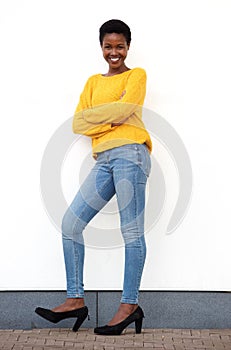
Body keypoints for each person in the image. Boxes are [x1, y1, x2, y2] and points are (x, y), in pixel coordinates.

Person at [35, 19, 152, 336]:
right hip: (103, 160)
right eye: (108, 46)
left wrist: (106, 117)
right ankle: (75, 299)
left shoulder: (136, 76)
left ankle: (129, 305)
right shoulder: (92, 82)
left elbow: (125, 109)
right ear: (101, 47)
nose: (114, 52)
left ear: (128, 46)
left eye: (120, 46)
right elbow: (78, 122)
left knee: (131, 232)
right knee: (71, 223)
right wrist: (111, 118)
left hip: (131, 154)